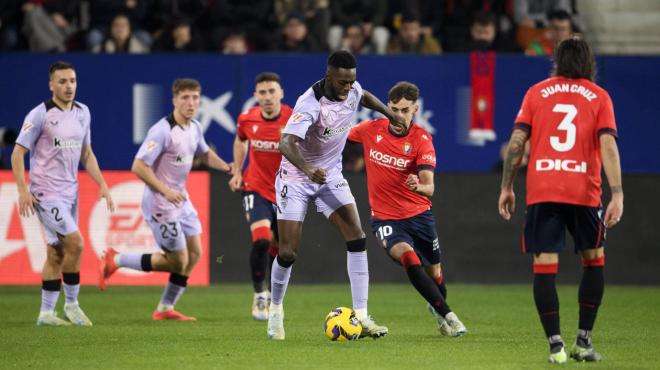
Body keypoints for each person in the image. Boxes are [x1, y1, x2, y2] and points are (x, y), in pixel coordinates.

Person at [498, 37, 623, 364]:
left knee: (544, 266)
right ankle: (584, 341)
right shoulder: (599, 96)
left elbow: (516, 142)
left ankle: (556, 346)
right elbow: (608, 145)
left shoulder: (536, 92)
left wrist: (507, 186)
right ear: (588, 63)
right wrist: (618, 192)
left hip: (543, 189)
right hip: (585, 190)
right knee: (594, 258)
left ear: (557, 61)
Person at [267, 50, 403, 340]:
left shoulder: (352, 89)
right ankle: (276, 309)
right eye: (342, 82)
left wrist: (389, 114)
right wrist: (307, 167)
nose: (347, 88)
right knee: (288, 252)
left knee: (357, 237)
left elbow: (364, 95)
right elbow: (285, 143)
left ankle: (363, 317)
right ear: (329, 77)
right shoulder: (310, 104)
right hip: (297, 177)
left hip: (330, 176)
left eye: (351, 81)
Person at [100, 79, 233, 321]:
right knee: (178, 261)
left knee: (195, 253)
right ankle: (117, 259)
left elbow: (204, 153)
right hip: (161, 204)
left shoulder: (194, 128)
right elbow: (138, 166)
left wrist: (226, 167)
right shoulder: (162, 130)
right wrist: (165, 191)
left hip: (181, 200)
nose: (191, 103)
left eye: (195, 98)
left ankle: (165, 308)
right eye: (185, 98)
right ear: (174, 100)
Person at [348, 81, 467, 337]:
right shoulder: (370, 130)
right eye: (393, 109)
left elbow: (430, 188)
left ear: (415, 109)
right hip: (385, 218)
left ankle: (437, 310)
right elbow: (337, 136)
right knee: (408, 257)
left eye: (404, 110)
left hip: (419, 215)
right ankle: (450, 315)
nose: (397, 115)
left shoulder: (422, 140)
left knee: (434, 272)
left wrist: (418, 185)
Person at [11, 61, 115, 326]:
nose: (69, 86)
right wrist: (23, 190)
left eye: (72, 80)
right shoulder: (40, 114)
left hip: (71, 192)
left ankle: (46, 314)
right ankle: (72, 305)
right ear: (51, 85)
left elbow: (86, 154)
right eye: (62, 81)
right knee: (76, 243)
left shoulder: (83, 112)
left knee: (56, 253)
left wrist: (102, 183)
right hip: (46, 193)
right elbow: (17, 153)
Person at [228, 72, 293, 320]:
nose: (267, 97)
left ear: (281, 93)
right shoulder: (247, 118)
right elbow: (240, 141)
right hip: (256, 188)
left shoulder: (293, 117)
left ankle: (275, 294)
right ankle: (260, 295)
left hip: (286, 192)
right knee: (262, 240)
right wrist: (236, 171)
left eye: (271, 91)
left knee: (282, 249)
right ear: (255, 96)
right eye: (262, 93)